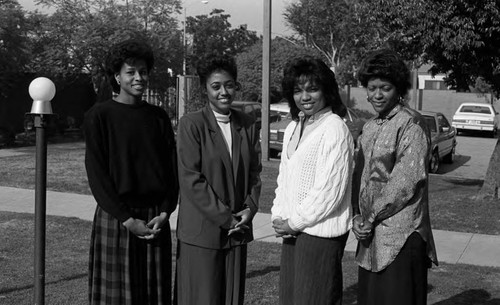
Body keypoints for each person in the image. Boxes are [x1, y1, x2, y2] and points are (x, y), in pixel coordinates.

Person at [84, 39, 178, 305]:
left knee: (153, 296)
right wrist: (126, 219)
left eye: (144, 72)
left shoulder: (158, 117)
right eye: (131, 72)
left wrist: (165, 211)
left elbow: (170, 168)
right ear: (117, 76)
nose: (139, 77)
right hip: (117, 218)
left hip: (154, 219)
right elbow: (97, 174)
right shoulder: (99, 116)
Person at [351, 49, 438, 305]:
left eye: (385, 88)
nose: (377, 94)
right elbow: (360, 177)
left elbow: (405, 181)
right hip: (370, 235)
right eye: (372, 87)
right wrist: (356, 215)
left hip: (402, 235)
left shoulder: (412, 123)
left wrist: (369, 217)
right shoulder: (369, 127)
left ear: (398, 89)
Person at [174, 54, 262, 305]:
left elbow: (255, 172)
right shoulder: (191, 124)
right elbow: (191, 179)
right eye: (216, 86)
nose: (224, 91)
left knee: (231, 297)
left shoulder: (246, 122)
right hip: (202, 232)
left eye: (229, 84)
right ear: (205, 90)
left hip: (237, 230)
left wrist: (250, 208)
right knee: (202, 298)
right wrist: (226, 218)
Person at [271, 56, 354, 305]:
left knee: (314, 298)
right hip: (292, 231)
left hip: (319, 235)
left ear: (326, 91)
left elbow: (330, 191)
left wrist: (294, 222)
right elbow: (284, 179)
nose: (304, 97)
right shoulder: (293, 128)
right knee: (291, 298)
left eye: (312, 89)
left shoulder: (335, 128)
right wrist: (278, 215)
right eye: (297, 91)